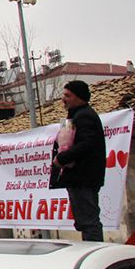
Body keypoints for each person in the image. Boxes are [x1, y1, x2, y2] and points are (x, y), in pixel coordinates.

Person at [52, 80, 107, 241]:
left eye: (68, 96)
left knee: (89, 222)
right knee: (84, 221)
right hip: (78, 178)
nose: (64, 99)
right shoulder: (76, 116)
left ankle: (95, 253)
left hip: (83, 178)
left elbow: (86, 144)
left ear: (79, 97)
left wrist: (62, 158)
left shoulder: (85, 116)